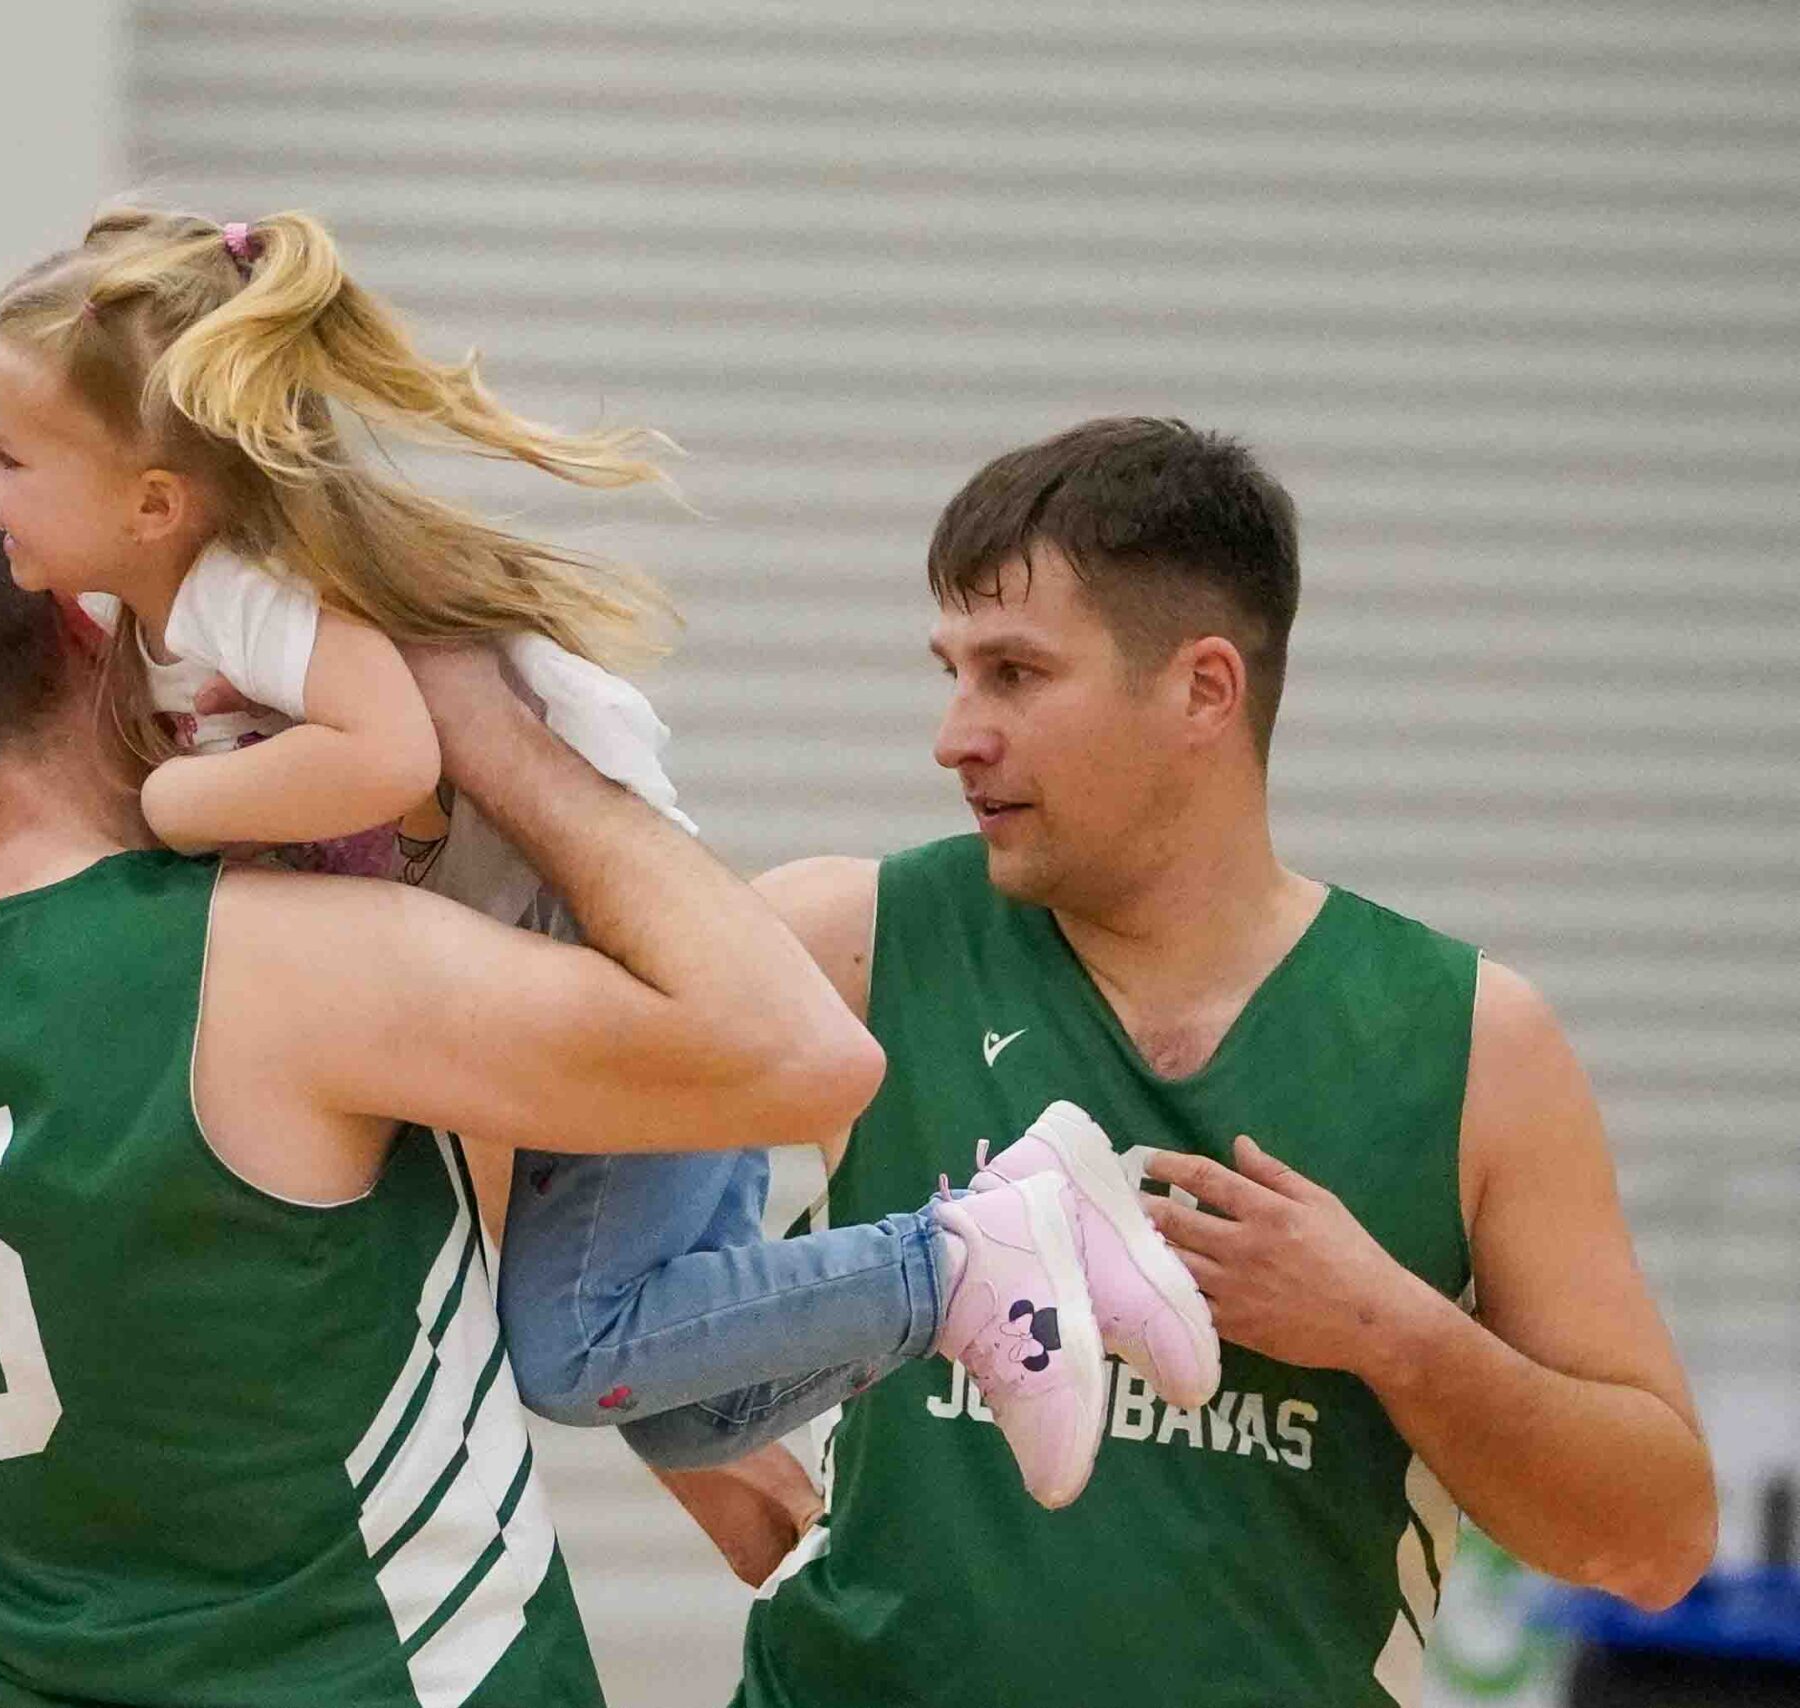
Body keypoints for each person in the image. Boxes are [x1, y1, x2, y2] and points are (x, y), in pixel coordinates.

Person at [0, 204, 1214, 1503]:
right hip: (575, 960)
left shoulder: (241, 594)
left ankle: (965, 1261)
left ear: (154, 500)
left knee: (572, 1353)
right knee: (689, 1411)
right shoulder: (161, 629)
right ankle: (1034, 1246)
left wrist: (177, 804)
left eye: (8, 453)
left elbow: (387, 751)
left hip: (607, 943)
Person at [0, 467, 892, 1705]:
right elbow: (798, 1051)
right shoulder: (276, 960)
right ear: (85, 628)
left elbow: (228, 1299)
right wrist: (489, 730)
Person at [661, 418, 1716, 1706]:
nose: (954, 735)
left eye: (1013, 673)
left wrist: (1393, 1332)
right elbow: (527, 1168)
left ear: (1204, 690)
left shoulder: (1474, 1043)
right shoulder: (851, 945)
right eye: (952, 673)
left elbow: (1655, 1545)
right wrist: (730, 1475)